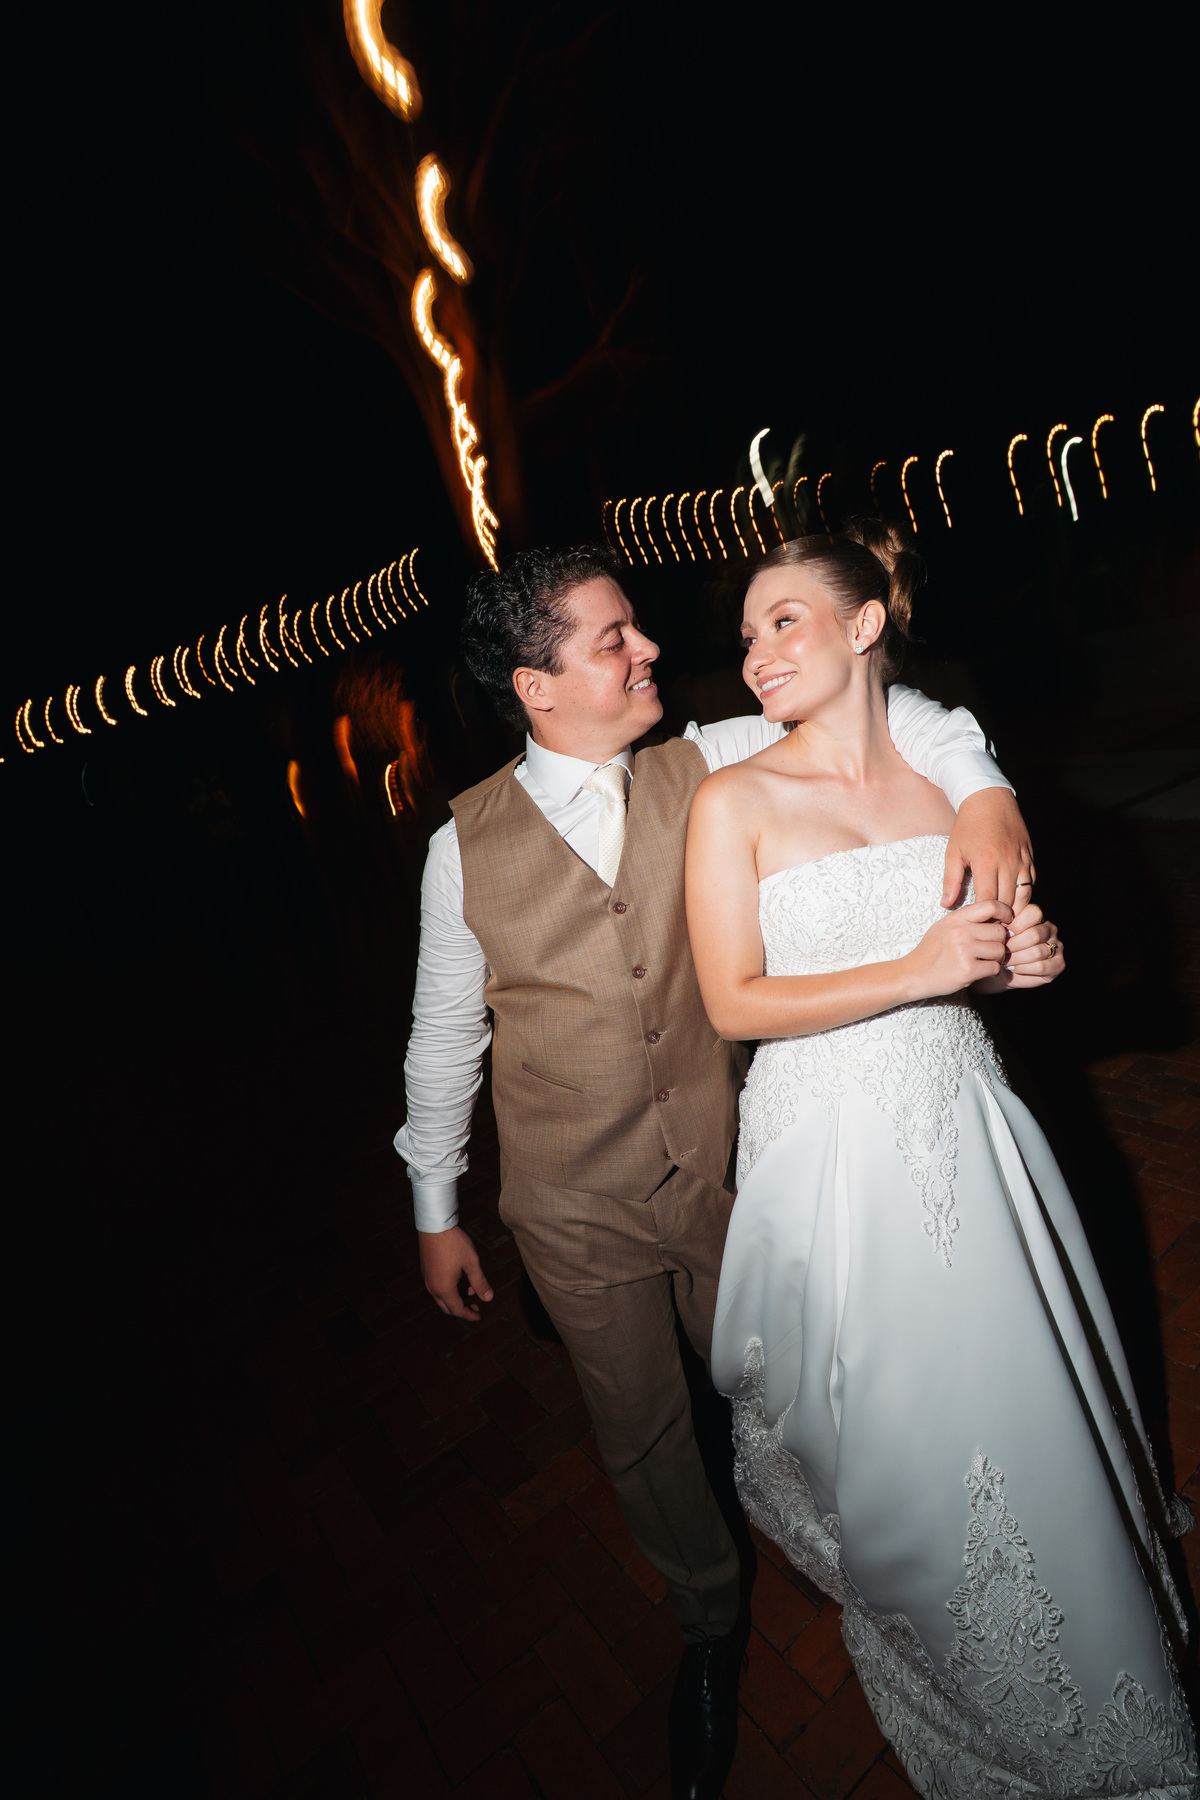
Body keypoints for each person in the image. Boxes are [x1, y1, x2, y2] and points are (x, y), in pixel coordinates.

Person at [396, 543, 1041, 1800]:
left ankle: (860, 1553)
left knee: (786, 1380)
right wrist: (435, 1209)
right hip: (571, 1211)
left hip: (726, 1178)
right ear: (538, 686)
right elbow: (441, 1040)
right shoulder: (459, 849)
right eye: (613, 640)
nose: (649, 649)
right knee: (643, 1430)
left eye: (636, 626)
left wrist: (985, 789)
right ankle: (707, 1622)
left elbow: (888, 706)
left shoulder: (707, 759)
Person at [685, 522, 1195, 1798]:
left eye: (785, 620)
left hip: (962, 1117)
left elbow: (978, 955)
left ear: (866, 625)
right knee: (897, 1422)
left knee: (1010, 1388)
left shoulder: (945, 791)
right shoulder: (733, 799)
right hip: (826, 1143)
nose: (756, 653)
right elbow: (732, 1001)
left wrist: (1021, 965)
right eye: (746, 635)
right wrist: (919, 968)